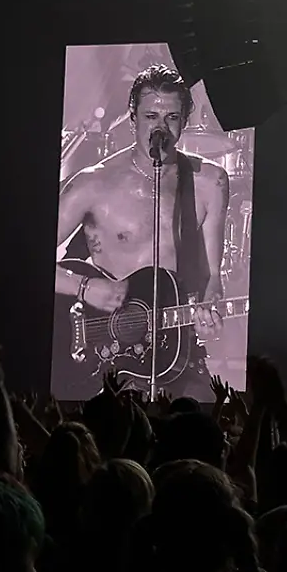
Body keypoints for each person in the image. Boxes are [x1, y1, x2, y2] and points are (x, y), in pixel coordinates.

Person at [54, 65, 229, 398]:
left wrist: (211, 310)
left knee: (210, 411)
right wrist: (85, 288)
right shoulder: (92, 183)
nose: (160, 128)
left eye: (172, 117)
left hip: (175, 349)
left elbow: (212, 277)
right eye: (151, 116)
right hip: (107, 354)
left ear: (185, 121)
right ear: (132, 117)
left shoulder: (210, 182)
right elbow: (24, 260)